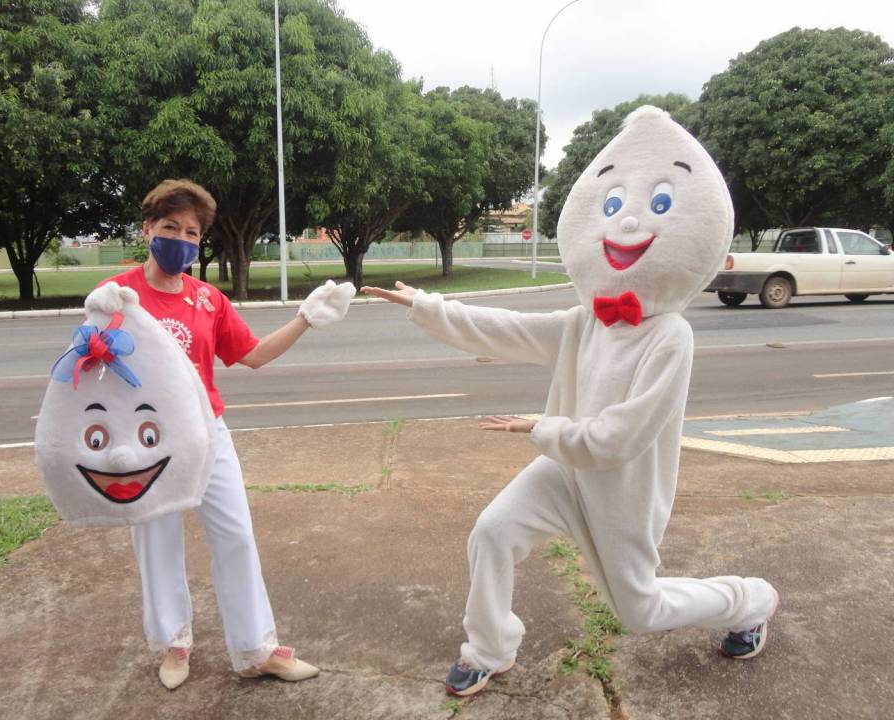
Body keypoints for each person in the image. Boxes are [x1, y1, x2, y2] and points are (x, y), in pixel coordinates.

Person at [364, 107, 778, 698]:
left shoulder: (670, 337)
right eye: (614, 204)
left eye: (660, 204)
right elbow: (509, 327)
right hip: (563, 471)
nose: (628, 220)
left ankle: (750, 600)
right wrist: (427, 307)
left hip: (622, 494)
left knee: (639, 610)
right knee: (492, 532)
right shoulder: (586, 322)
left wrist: (541, 427)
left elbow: (620, 438)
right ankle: (488, 648)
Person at [100, 179, 354, 689]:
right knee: (157, 541)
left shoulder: (208, 299)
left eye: (192, 233)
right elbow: (92, 368)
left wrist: (305, 319)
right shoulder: (117, 296)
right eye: (170, 227)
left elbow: (252, 355)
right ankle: (175, 644)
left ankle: (257, 649)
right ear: (147, 229)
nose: (181, 239)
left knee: (235, 535)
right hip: (148, 440)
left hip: (206, 431)